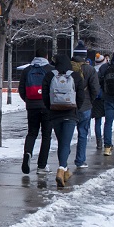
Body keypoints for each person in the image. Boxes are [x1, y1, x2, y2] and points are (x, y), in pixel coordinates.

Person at [42, 54, 84, 187]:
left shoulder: (49, 76)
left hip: (55, 113)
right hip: (70, 113)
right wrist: (76, 107)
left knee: (62, 142)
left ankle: (65, 170)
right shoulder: (76, 76)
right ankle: (61, 169)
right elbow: (81, 96)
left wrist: (50, 107)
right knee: (65, 143)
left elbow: (44, 95)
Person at [18, 48, 54, 174]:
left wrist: (28, 100)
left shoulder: (27, 70)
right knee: (46, 136)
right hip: (46, 107)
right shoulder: (50, 69)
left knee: (32, 133)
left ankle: (28, 153)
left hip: (32, 106)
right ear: (46, 56)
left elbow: (21, 89)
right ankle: (42, 166)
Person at [71, 41, 100, 169]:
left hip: (69, 105)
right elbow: (95, 89)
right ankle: (80, 160)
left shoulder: (67, 68)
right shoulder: (90, 69)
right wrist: (90, 101)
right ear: (84, 56)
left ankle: (63, 161)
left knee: (67, 134)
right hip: (85, 106)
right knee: (83, 133)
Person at [92, 53, 107, 149]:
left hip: (95, 99)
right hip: (105, 97)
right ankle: (107, 141)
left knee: (98, 121)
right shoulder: (105, 70)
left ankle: (99, 141)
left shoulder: (93, 70)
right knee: (108, 121)